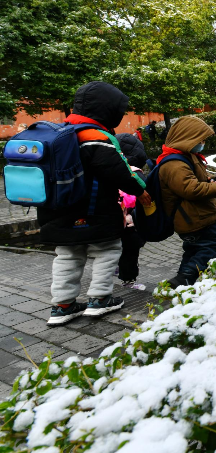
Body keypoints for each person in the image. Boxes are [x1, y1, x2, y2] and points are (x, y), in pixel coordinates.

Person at [39, 82, 150, 325]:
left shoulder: (60, 132)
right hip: (95, 209)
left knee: (67, 255)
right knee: (107, 250)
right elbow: (119, 172)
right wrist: (141, 191)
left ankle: (62, 305)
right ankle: (100, 299)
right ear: (107, 109)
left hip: (57, 210)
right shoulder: (95, 136)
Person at [158, 116, 216, 288]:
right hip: (192, 218)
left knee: (193, 250)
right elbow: (191, 189)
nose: (203, 142)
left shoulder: (186, 156)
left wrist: (215, 180)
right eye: (200, 138)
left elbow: (196, 180)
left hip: (194, 216)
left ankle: (181, 283)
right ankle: (185, 278)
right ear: (187, 137)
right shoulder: (174, 163)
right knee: (214, 245)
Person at [115, 133, 151, 291]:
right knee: (131, 251)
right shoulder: (136, 174)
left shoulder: (111, 171)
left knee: (119, 249)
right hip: (131, 222)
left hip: (114, 220)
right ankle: (128, 280)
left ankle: (117, 268)